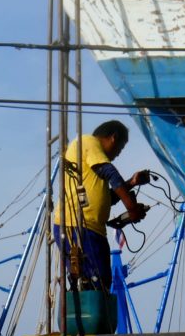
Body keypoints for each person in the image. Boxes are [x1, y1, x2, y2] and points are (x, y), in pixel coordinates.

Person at [53, 119, 149, 290]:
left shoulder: (92, 163)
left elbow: (107, 199)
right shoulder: (89, 142)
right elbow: (110, 172)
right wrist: (132, 209)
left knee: (100, 282)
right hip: (78, 226)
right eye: (120, 148)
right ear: (113, 137)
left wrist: (132, 183)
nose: (118, 153)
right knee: (94, 284)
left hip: (91, 229)